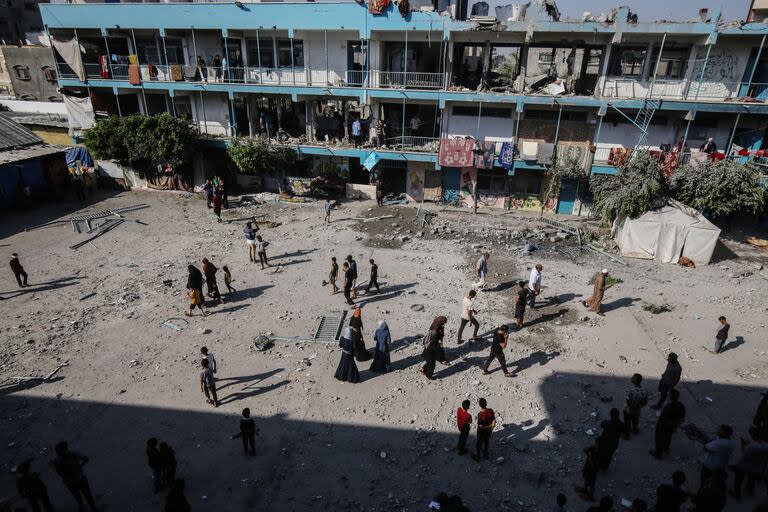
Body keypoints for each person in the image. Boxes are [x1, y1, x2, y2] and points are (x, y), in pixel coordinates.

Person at [53, 441, 97, 511]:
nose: (61, 452)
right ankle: (91, 507)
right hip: (77, 479)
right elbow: (85, 458)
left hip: (72, 481)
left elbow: (59, 472)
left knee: (80, 496)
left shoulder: (59, 460)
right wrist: (80, 466)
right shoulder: (71, 455)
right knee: (85, 495)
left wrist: (79, 466)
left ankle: (87, 507)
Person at [730, 427, 768, 499]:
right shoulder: (766, 446)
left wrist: (743, 443)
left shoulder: (750, 446)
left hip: (744, 465)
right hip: (757, 466)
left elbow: (744, 452)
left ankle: (737, 494)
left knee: (738, 480)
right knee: (752, 479)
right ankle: (750, 491)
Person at [649, 388, 686, 459]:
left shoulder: (668, 407)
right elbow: (682, 417)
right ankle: (666, 448)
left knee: (659, 439)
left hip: (663, 426)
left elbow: (662, 417)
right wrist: (677, 426)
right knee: (668, 437)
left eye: (668, 395)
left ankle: (658, 453)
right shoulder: (680, 405)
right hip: (672, 426)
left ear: (670, 397)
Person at [700, 425, 735, 490]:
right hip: (721, 466)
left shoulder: (717, 443)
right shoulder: (732, 443)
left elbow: (705, 448)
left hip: (710, 466)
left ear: (723, 433)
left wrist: (711, 440)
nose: (718, 431)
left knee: (704, 480)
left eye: (720, 430)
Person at [420, 316, 449, 380]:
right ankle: (429, 376)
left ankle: (423, 369)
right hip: (431, 348)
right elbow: (435, 343)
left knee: (430, 361)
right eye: (443, 323)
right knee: (432, 364)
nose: (444, 324)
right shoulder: (435, 332)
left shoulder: (435, 326)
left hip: (429, 348)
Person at [623, 373, 648, 439]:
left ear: (635, 381)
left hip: (628, 410)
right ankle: (634, 430)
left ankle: (627, 435)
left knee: (627, 422)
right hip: (637, 410)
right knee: (635, 421)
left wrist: (631, 408)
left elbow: (628, 401)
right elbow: (645, 402)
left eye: (633, 378)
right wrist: (638, 406)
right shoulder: (644, 391)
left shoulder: (630, 390)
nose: (631, 378)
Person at [472, 398, 496, 462]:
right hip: (488, 432)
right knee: (486, 442)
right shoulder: (490, 411)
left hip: (481, 432)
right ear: (486, 403)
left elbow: (481, 426)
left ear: (480, 405)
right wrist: (491, 427)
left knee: (479, 444)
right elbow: (494, 420)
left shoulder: (480, 415)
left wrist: (489, 426)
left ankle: (478, 457)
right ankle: (485, 454)